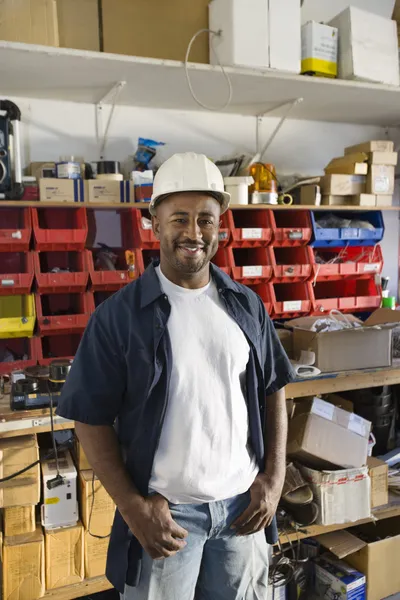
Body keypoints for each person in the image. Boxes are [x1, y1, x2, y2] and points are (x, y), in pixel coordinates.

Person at [57, 152, 295, 600]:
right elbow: (89, 418)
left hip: (244, 509)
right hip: (167, 521)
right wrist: (133, 508)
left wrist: (274, 477)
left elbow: (274, 387)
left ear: (220, 224)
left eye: (205, 219)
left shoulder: (246, 305)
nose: (193, 232)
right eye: (179, 219)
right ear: (155, 224)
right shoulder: (118, 318)